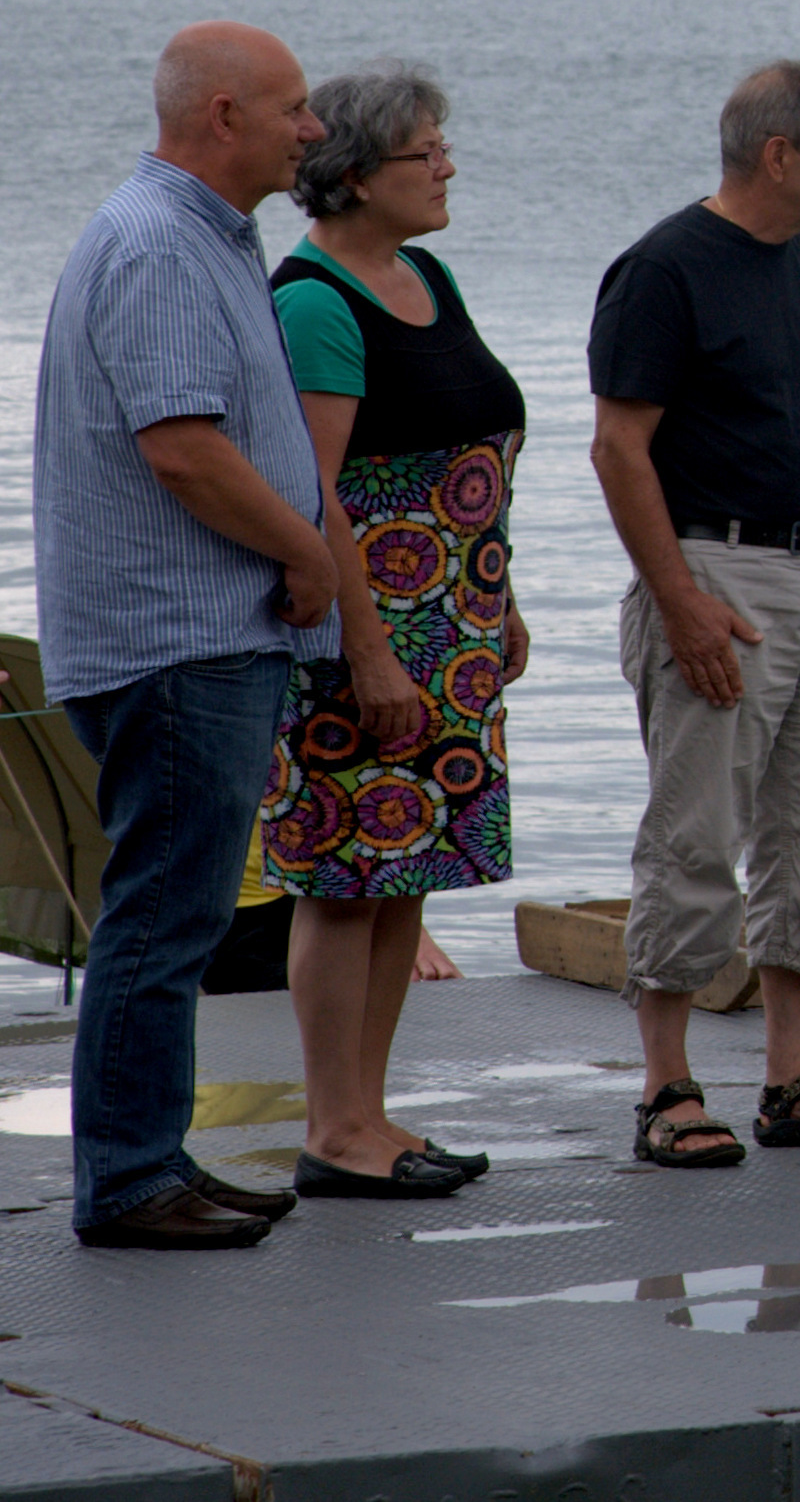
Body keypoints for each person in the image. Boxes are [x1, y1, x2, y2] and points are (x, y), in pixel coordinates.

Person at [31, 24, 346, 1248]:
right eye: (296, 107)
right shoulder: (161, 242)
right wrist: (308, 550)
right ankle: (126, 1177)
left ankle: (153, 1154)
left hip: (193, 635)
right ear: (224, 114)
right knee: (165, 916)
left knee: (177, 912)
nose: (312, 129)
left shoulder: (197, 233)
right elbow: (183, 446)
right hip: (178, 637)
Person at [587, 59, 800, 1165]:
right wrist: (679, 601)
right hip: (716, 571)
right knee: (694, 831)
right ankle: (667, 1085)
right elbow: (618, 444)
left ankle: (793, 1073)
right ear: (778, 155)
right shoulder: (664, 269)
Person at [264, 64, 528, 1198]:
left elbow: (472, 447)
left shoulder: (426, 272)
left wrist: (499, 602)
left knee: (405, 870)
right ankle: (333, 1126)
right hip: (368, 634)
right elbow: (317, 492)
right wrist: (365, 650)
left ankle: (372, 1113)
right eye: (427, 152)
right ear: (358, 174)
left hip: (455, 628)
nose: (448, 165)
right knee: (342, 878)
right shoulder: (315, 300)